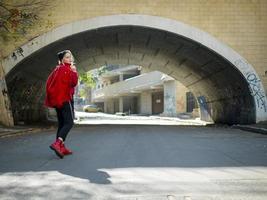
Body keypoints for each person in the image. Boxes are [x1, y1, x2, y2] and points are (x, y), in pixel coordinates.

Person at [44, 50, 79, 159]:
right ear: (62, 59)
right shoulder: (66, 70)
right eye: (67, 57)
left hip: (58, 100)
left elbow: (49, 84)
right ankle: (58, 143)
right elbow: (73, 83)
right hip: (65, 99)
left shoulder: (57, 69)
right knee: (69, 122)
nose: (70, 59)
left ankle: (62, 147)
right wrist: (73, 71)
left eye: (70, 57)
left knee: (62, 123)